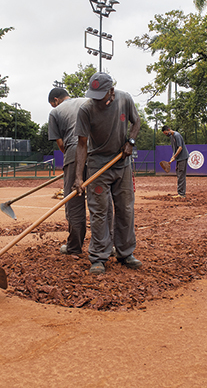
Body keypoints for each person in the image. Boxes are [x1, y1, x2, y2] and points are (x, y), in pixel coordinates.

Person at [74, 73, 141, 275]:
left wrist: (130, 142)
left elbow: (136, 122)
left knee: (125, 209)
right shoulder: (86, 110)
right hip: (97, 166)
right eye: (93, 95)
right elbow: (82, 144)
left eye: (100, 95)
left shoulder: (124, 99)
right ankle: (99, 257)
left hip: (122, 164)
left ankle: (125, 253)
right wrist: (79, 176)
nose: (97, 99)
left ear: (111, 91)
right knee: (99, 212)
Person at [48, 87, 91, 256]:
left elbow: (61, 145)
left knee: (73, 202)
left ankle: (74, 247)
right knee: (99, 201)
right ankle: (106, 246)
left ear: (56, 100)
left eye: (52, 104)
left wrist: (73, 166)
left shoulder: (55, 112)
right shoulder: (87, 102)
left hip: (74, 151)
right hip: (97, 153)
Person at [162, 125, 189, 198]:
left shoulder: (177, 135)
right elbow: (175, 148)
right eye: (165, 134)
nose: (166, 135)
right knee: (178, 173)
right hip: (179, 158)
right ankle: (180, 192)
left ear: (169, 130)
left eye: (166, 133)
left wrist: (174, 156)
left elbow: (180, 147)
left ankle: (181, 194)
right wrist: (173, 156)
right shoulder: (171, 137)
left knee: (181, 174)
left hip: (183, 157)